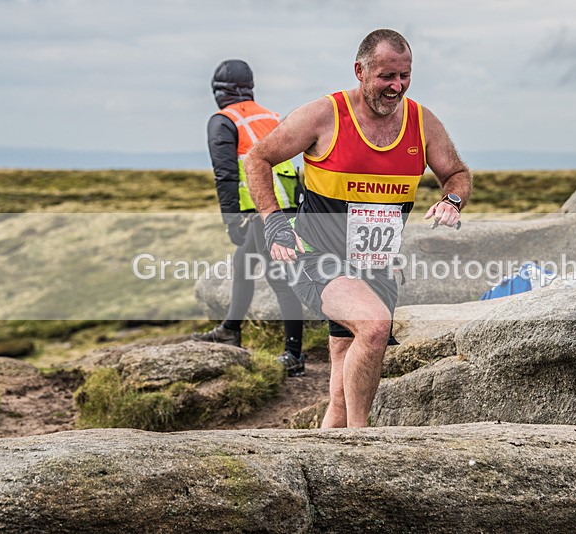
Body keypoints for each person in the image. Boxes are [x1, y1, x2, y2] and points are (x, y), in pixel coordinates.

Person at [245, 29, 472, 427]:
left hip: (375, 269)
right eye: (387, 76)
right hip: (318, 260)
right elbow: (257, 158)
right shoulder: (325, 115)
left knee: (340, 390)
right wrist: (274, 223)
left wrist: (452, 201)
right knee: (374, 326)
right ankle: (362, 444)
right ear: (360, 71)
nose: (396, 86)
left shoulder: (421, 122)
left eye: (405, 75)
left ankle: (326, 466)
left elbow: (456, 173)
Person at [191, 59, 307, 377]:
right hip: (286, 205)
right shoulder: (270, 117)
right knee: (243, 264)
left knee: (279, 280)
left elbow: (226, 174)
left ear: (218, 91)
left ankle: (294, 355)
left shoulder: (223, 121)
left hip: (260, 211)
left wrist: (232, 220)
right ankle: (231, 328)